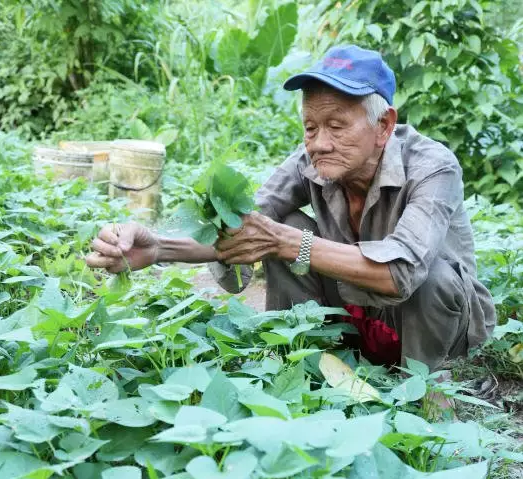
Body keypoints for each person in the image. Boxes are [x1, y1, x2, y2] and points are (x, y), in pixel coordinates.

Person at [86, 45, 496, 371]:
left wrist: (288, 242)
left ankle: (424, 384)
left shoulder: (432, 166)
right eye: (310, 127)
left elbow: (401, 273)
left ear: (384, 126)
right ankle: (305, 361)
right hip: (356, 312)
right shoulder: (311, 161)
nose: (318, 143)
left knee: (432, 275)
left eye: (336, 126)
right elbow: (245, 227)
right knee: (280, 224)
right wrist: (157, 247)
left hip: (424, 325)